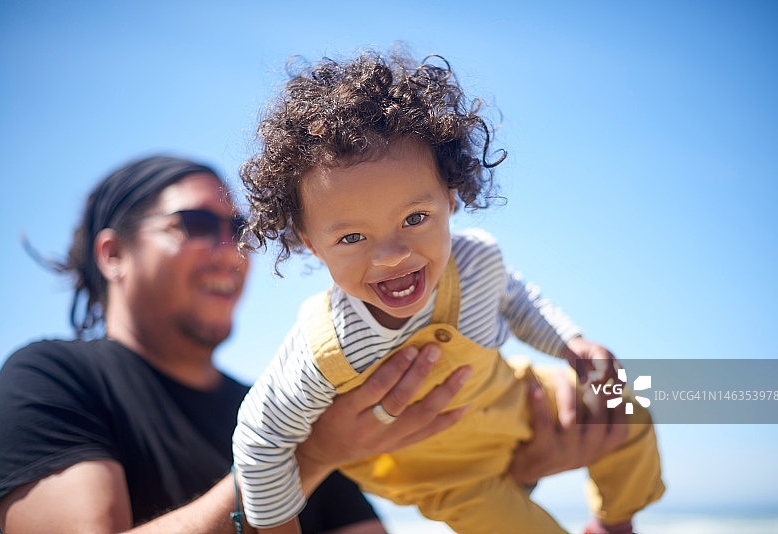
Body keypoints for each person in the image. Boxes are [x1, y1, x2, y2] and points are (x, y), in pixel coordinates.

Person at [0, 155, 625, 534]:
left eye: (240, 228)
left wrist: (515, 472)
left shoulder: (306, 397)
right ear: (113, 253)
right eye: (195, 225)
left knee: (640, 399)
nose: (230, 248)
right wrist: (315, 454)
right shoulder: (51, 377)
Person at [233, 51, 665, 534]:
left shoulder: (475, 258)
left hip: (514, 402)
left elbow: (517, 299)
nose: (392, 255)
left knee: (621, 404)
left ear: (451, 199)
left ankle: (614, 523)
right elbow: (259, 438)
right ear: (312, 244)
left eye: (415, 218)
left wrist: (570, 342)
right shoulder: (326, 348)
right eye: (352, 237)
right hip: (454, 480)